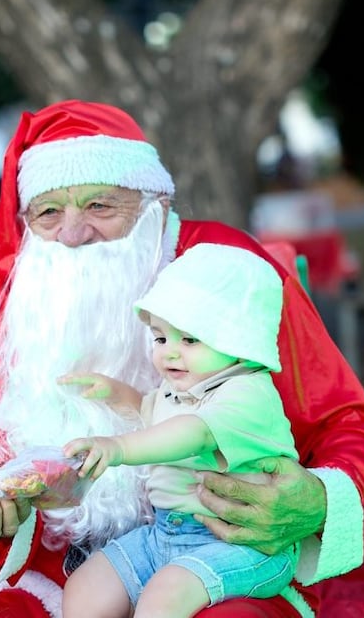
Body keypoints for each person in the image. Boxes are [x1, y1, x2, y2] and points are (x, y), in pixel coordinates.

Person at [0, 100, 364, 617]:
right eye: (49, 212)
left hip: (223, 554)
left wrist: (316, 499)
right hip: (57, 575)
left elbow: (348, 422)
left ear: (153, 205)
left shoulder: (226, 269)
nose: (72, 235)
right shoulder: (22, 295)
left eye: (99, 206)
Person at [60, 243, 301, 617]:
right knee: (86, 587)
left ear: (240, 342)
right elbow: (151, 414)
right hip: (163, 534)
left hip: (241, 543)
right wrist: (115, 393)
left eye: (189, 339)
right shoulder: (179, 389)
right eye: (161, 338)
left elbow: (193, 434)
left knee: (163, 597)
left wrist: (117, 448)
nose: (169, 352)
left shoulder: (248, 393)